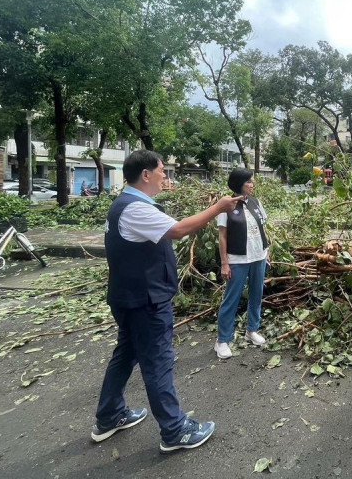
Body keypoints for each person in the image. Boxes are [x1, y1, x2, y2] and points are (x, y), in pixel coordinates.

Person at [91, 150, 244, 453]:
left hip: (130, 297)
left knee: (126, 355)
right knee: (157, 360)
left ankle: (109, 415)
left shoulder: (127, 204)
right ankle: (174, 431)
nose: (166, 176)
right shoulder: (135, 209)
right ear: (145, 174)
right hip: (145, 302)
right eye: (162, 170)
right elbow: (177, 230)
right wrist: (218, 207)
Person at [214, 168, 271, 360]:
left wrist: (266, 251)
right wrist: (224, 263)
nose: (252, 185)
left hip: (258, 257)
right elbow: (222, 236)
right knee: (232, 298)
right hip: (237, 260)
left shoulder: (255, 202)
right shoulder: (226, 206)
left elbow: (263, 227)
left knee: (257, 294)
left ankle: (252, 330)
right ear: (239, 184)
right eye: (249, 182)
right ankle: (222, 340)